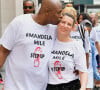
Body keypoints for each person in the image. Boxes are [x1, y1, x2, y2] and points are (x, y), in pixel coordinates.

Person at [0, 0, 62, 90]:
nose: (60, 16)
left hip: (41, 87)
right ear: (47, 11)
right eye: (58, 12)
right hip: (15, 87)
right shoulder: (19, 23)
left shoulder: (55, 29)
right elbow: (3, 51)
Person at [47, 13, 88, 90]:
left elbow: (83, 71)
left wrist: (83, 88)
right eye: (63, 22)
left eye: (69, 24)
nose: (65, 26)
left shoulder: (76, 45)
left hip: (70, 85)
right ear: (58, 23)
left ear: (72, 28)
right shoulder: (49, 42)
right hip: (50, 86)